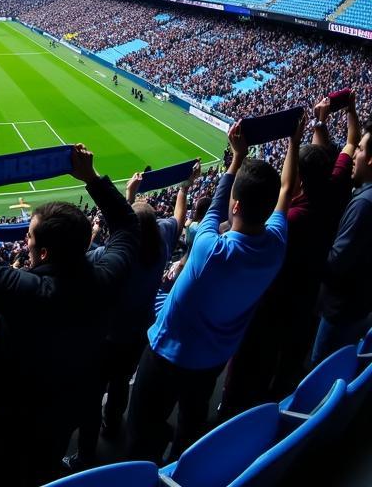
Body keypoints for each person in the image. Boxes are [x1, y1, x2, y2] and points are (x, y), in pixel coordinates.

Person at [0, 146, 139, 487]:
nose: (25, 240)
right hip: (66, 408)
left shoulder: (25, 292)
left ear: (42, 252)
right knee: (47, 466)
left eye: (29, 236)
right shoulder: (106, 278)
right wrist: (92, 179)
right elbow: (128, 227)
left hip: (14, 415)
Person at [126, 115, 299, 461]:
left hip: (165, 357)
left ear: (236, 206)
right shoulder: (276, 246)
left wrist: (236, 157)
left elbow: (227, 202)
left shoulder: (210, 249)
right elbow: (286, 190)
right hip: (212, 362)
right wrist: (294, 142)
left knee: (141, 428)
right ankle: (182, 469)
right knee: (192, 424)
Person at [222, 93, 357, 412]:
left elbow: (236, 221)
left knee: (254, 364)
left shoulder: (290, 219)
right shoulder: (336, 185)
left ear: (299, 179)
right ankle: (277, 402)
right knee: (287, 360)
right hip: (310, 295)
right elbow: (350, 143)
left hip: (276, 300)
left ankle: (236, 409)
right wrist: (326, 120)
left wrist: (239, 159)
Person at [69, 161, 198, 469]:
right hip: (140, 333)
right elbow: (178, 218)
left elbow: (89, 256)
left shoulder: (106, 257)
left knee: (92, 394)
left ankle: (86, 454)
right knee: (120, 384)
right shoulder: (164, 240)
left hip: (106, 338)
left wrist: (127, 196)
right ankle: (112, 425)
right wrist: (183, 187)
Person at [312, 105, 372, 362]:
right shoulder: (364, 194)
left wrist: (313, 248)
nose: (355, 152)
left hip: (339, 311)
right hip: (357, 306)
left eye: (360, 149)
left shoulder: (364, 204)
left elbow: (335, 261)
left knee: (320, 366)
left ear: (370, 159)